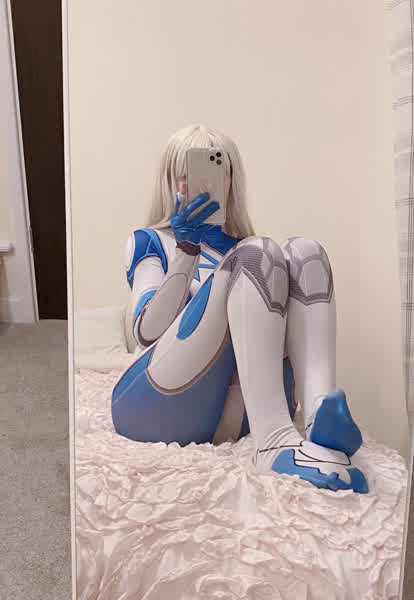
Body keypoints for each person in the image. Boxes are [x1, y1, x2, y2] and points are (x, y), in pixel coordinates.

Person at [112, 124, 368, 494]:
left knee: (306, 252)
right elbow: (146, 332)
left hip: (232, 410)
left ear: (231, 181)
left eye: (215, 170)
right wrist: (186, 251)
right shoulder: (151, 241)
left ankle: (318, 414)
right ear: (168, 181)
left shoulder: (249, 250)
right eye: (184, 175)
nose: (196, 184)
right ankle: (272, 441)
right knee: (255, 255)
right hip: (153, 406)